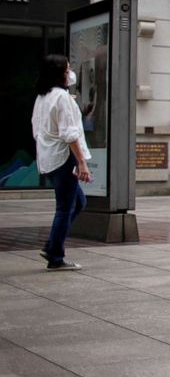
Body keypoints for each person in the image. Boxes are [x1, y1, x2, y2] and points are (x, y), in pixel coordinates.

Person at [32, 54, 93, 271]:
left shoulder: (43, 97)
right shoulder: (61, 97)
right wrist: (82, 163)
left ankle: (52, 245)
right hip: (63, 158)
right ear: (59, 74)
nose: (70, 73)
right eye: (67, 70)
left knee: (78, 203)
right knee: (65, 207)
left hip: (49, 158)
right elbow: (70, 135)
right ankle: (55, 255)